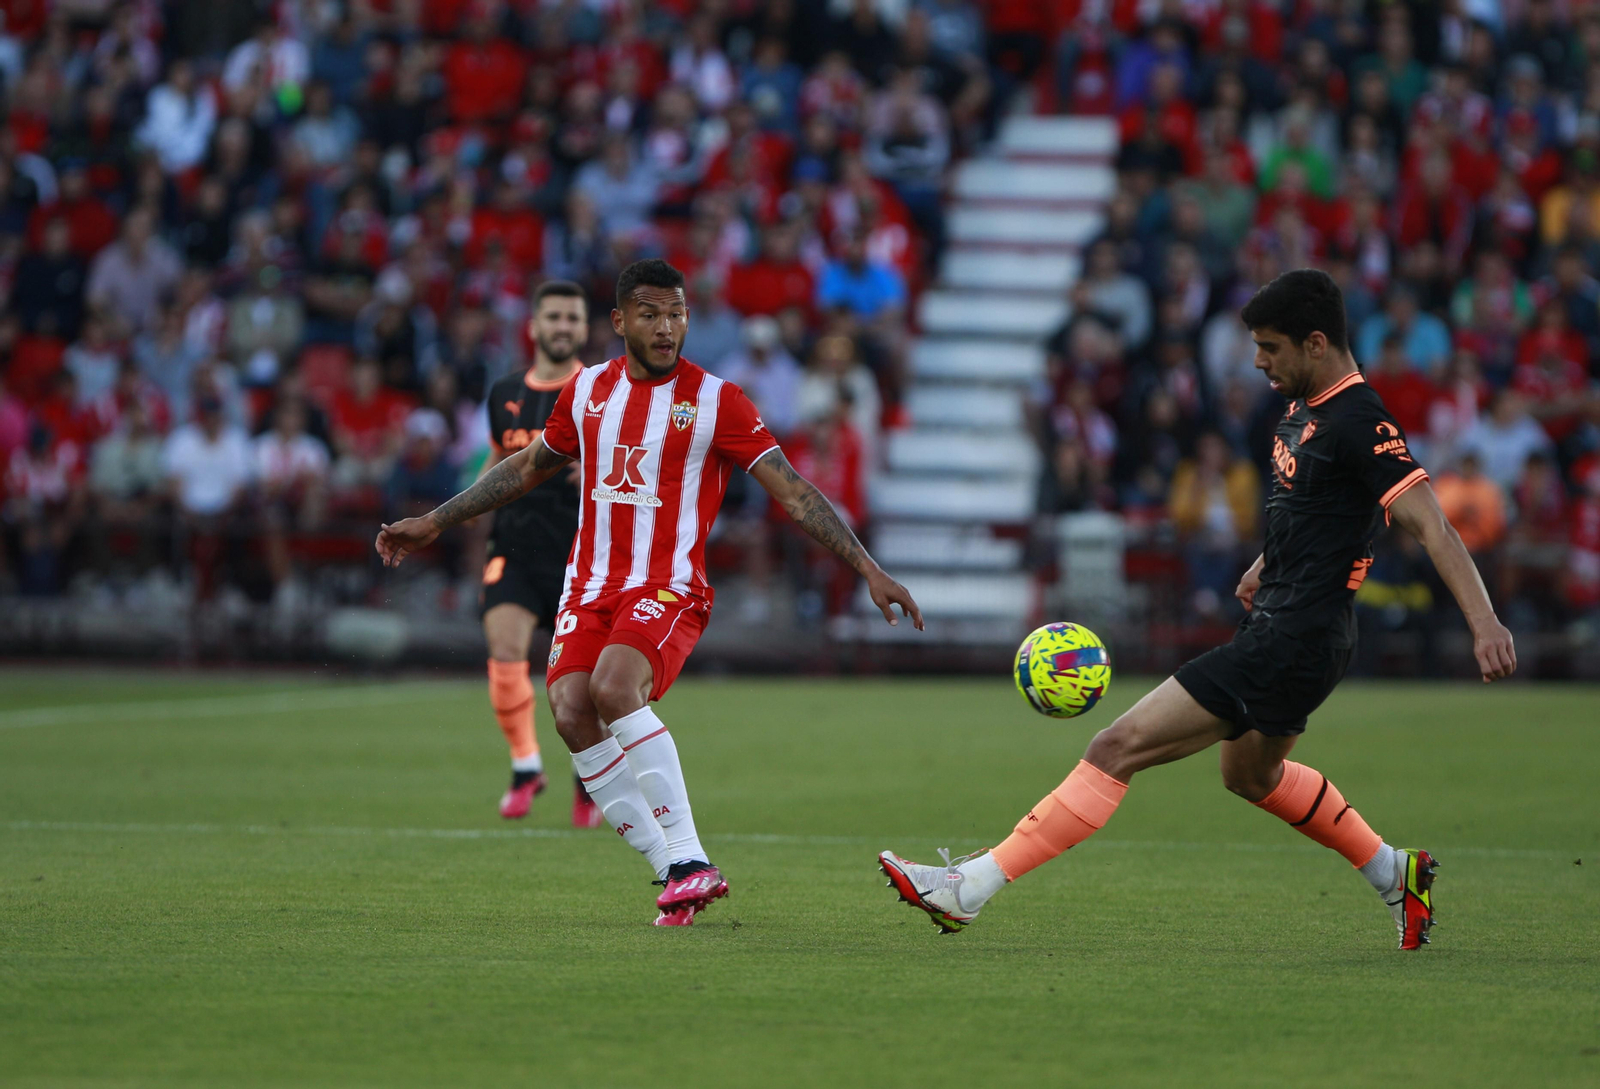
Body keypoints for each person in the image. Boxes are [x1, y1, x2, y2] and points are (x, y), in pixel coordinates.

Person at [880, 269, 1516, 950]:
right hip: (1295, 628)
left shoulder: (1363, 419)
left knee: (1114, 746)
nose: (1257, 361)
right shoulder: (1303, 409)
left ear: (1317, 342)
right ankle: (1397, 871)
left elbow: (1430, 524)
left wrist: (1483, 622)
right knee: (1250, 774)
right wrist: (1266, 562)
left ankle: (969, 887)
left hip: (1294, 636)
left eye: (1271, 347)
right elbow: (1325, 512)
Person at [376, 259, 923, 926]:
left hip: (667, 587)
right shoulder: (585, 393)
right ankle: (673, 873)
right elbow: (526, 468)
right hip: (590, 583)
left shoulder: (718, 400)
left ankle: (691, 858)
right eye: (651, 314)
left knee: (613, 687)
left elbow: (794, 492)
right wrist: (435, 520)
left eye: (677, 314)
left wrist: (866, 566)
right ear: (619, 321)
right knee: (571, 709)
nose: (667, 327)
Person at [475, 280, 601, 827]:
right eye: (554, 317)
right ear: (534, 325)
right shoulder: (504, 391)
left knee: (583, 681)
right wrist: (464, 509)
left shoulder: (602, 389)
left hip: (583, 553)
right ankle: (526, 766)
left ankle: (589, 779)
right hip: (515, 544)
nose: (563, 327)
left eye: (572, 318)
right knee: (504, 647)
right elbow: (495, 459)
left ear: (584, 328)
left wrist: (590, 472)